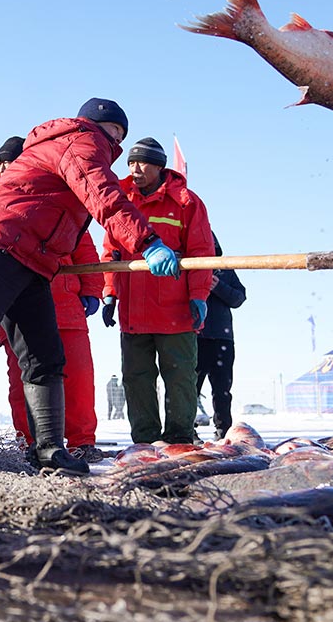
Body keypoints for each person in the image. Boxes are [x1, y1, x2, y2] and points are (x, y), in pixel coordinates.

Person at [0, 97, 183, 476]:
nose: (116, 144)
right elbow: (102, 195)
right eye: (117, 133)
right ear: (105, 127)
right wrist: (148, 242)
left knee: (45, 357)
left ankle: (48, 448)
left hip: (36, 261)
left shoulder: (74, 144)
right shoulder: (82, 140)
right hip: (0, 247)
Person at [0, 135, 105, 461]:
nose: (2, 170)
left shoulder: (57, 200)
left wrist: (92, 289)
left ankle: (82, 441)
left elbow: (85, 250)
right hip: (15, 314)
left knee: (79, 380)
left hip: (66, 308)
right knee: (22, 381)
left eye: (8, 163)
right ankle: (28, 441)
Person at [101, 136, 214, 445]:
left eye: (142, 162)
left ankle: (180, 440)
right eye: (131, 162)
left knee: (179, 378)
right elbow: (111, 252)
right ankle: (145, 442)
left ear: (159, 166)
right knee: (136, 379)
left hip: (175, 311)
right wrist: (109, 292)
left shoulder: (187, 203)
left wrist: (199, 297)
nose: (135, 168)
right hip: (133, 312)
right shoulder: (120, 203)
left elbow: (202, 254)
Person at [195, 234, 246, 440]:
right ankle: (187, 432)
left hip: (222, 338)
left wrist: (218, 286)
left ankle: (224, 430)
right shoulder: (190, 267)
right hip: (195, 336)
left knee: (223, 389)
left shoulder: (225, 270)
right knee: (190, 387)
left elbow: (239, 298)